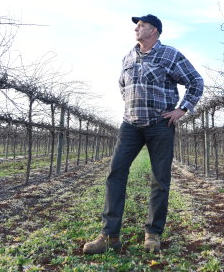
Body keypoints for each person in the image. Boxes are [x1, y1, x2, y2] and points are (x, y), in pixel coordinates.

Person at [83, 14, 204, 254]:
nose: (136, 29)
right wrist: (131, 104)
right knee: (115, 173)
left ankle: (153, 233)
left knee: (160, 179)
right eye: (136, 26)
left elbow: (195, 81)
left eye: (141, 25)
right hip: (130, 125)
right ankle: (109, 235)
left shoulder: (169, 55)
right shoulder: (128, 55)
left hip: (160, 124)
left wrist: (182, 109)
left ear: (154, 31)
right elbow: (122, 84)